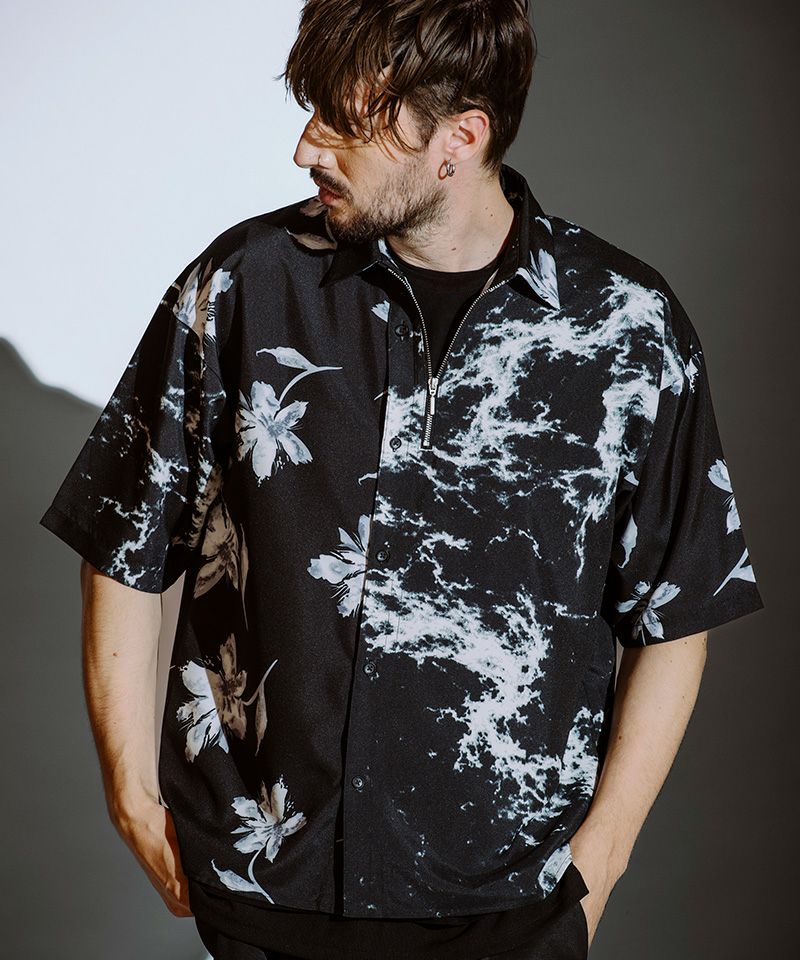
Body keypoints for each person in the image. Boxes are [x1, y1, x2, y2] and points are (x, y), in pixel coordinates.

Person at [39, 1, 765, 958]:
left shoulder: (627, 329)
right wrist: (132, 796)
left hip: (514, 908)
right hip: (266, 893)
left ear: (460, 138)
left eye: (346, 122)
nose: (306, 147)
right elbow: (123, 542)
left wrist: (603, 859)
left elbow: (679, 609)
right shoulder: (244, 285)